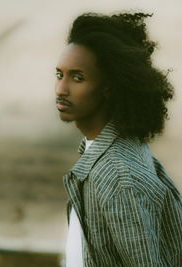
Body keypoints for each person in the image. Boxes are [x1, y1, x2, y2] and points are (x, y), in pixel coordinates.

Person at [54, 12, 182, 267]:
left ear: (108, 88)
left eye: (78, 78)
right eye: (60, 74)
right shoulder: (105, 150)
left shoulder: (117, 176)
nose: (61, 89)